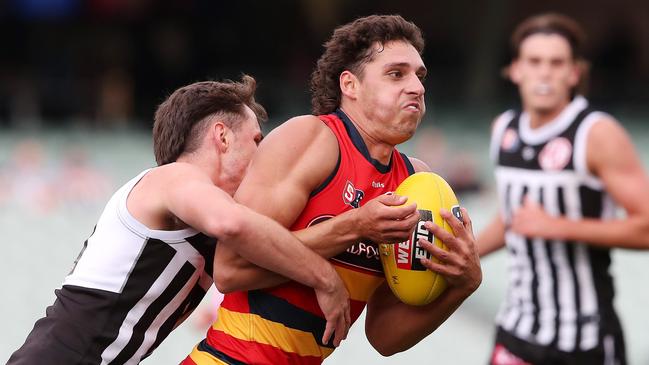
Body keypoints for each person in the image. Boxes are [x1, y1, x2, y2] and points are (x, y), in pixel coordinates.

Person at [183, 15, 482, 365]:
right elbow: (231, 270)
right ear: (349, 85)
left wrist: (465, 284)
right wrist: (353, 229)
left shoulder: (416, 182)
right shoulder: (311, 138)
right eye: (396, 74)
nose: (416, 87)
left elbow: (384, 337)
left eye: (420, 75)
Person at [7, 75, 353, 365]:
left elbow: (249, 263)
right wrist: (324, 277)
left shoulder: (192, 204)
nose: (264, 158)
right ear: (222, 136)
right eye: (256, 141)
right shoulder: (175, 178)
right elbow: (232, 224)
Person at [477, 13, 649, 365]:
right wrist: (463, 255)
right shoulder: (503, 130)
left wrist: (559, 227)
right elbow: (514, 217)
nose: (544, 72)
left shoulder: (596, 134)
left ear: (574, 73)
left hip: (584, 340)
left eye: (556, 63)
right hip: (516, 330)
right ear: (515, 70)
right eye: (534, 61)